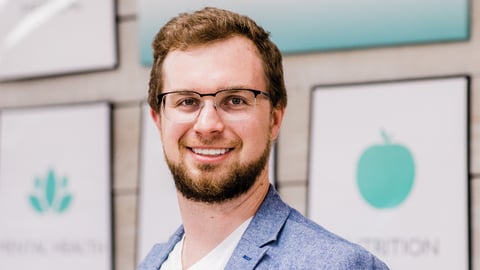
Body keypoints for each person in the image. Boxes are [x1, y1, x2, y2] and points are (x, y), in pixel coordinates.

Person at [138, 7, 389, 270]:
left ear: (275, 120)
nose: (208, 125)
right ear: (158, 121)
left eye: (235, 100)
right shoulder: (152, 264)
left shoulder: (337, 265)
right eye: (187, 101)